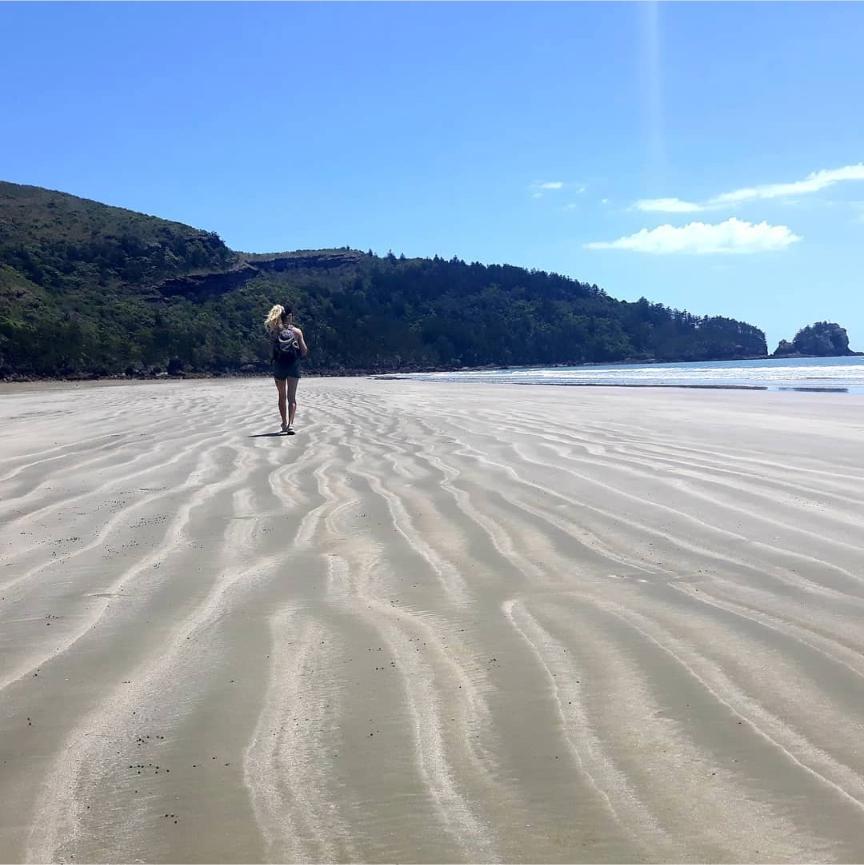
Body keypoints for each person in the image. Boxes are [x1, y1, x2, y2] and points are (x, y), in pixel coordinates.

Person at [264, 304, 309, 434]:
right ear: (289, 317)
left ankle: (283, 423)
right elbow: (304, 351)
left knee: (281, 396)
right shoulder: (297, 332)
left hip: (279, 366)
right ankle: (291, 425)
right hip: (293, 366)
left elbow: (270, 351)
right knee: (292, 398)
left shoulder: (274, 331)